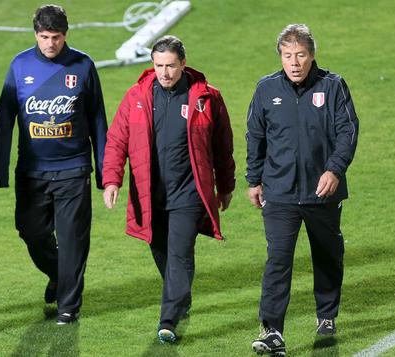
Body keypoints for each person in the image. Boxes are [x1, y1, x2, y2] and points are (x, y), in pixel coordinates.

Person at [102, 35, 235, 343]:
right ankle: (180, 295)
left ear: (183, 64)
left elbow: (222, 146)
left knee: (179, 253)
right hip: (150, 192)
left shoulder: (206, 98)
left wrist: (226, 186)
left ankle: (168, 318)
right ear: (153, 64)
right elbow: (117, 140)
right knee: (159, 247)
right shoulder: (136, 96)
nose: (165, 73)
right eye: (159, 65)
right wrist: (112, 180)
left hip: (189, 192)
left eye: (171, 66)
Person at [246, 24, 359, 356]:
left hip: (322, 191)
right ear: (280, 57)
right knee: (278, 259)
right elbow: (255, 135)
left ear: (312, 55)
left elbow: (348, 131)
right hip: (279, 193)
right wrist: (254, 180)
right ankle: (272, 330)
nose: (294, 62)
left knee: (327, 254)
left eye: (300, 55)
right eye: (287, 55)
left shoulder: (334, 86)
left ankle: (326, 314)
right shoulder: (266, 89)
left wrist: (335, 169)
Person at [0, 4, 107, 325]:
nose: (50, 44)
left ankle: (69, 305)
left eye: (56, 37)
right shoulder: (20, 65)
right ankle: (59, 275)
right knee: (31, 232)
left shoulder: (83, 66)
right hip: (31, 172)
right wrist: (0, 169)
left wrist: (105, 172)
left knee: (72, 241)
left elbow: (98, 119)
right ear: (35, 34)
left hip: (73, 168)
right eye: (44, 37)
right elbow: (5, 121)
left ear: (65, 35)